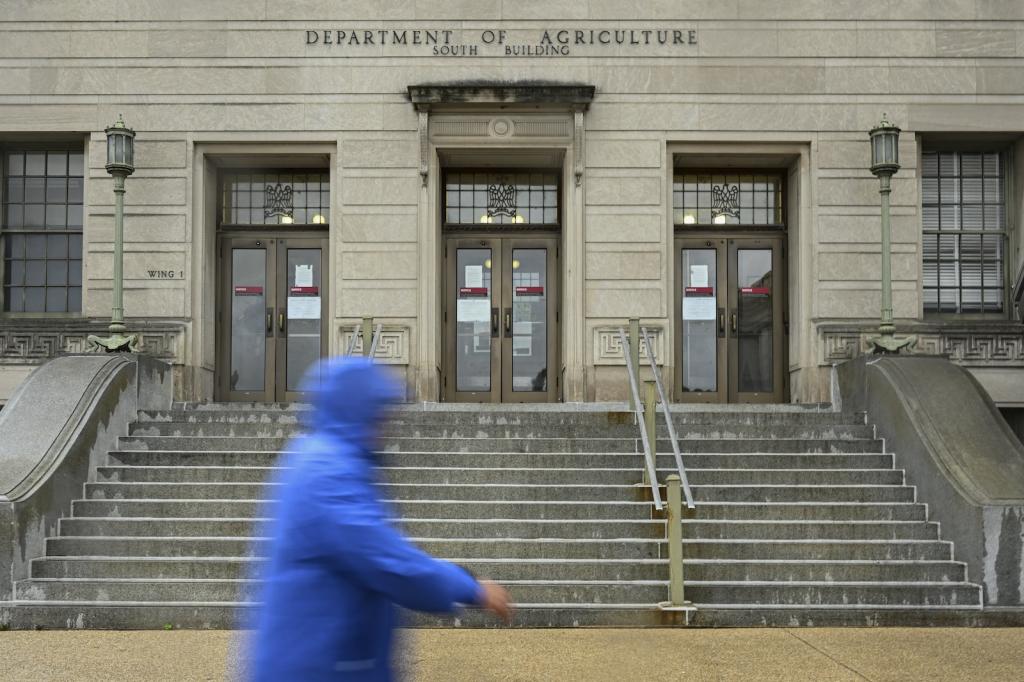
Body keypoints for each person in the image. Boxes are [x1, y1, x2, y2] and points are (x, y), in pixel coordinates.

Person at [246, 356, 511, 681]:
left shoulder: (319, 456)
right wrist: (470, 588)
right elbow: (388, 561)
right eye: (380, 414)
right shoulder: (328, 472)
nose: (385, 425)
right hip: (318, 666)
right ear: (359, 410)